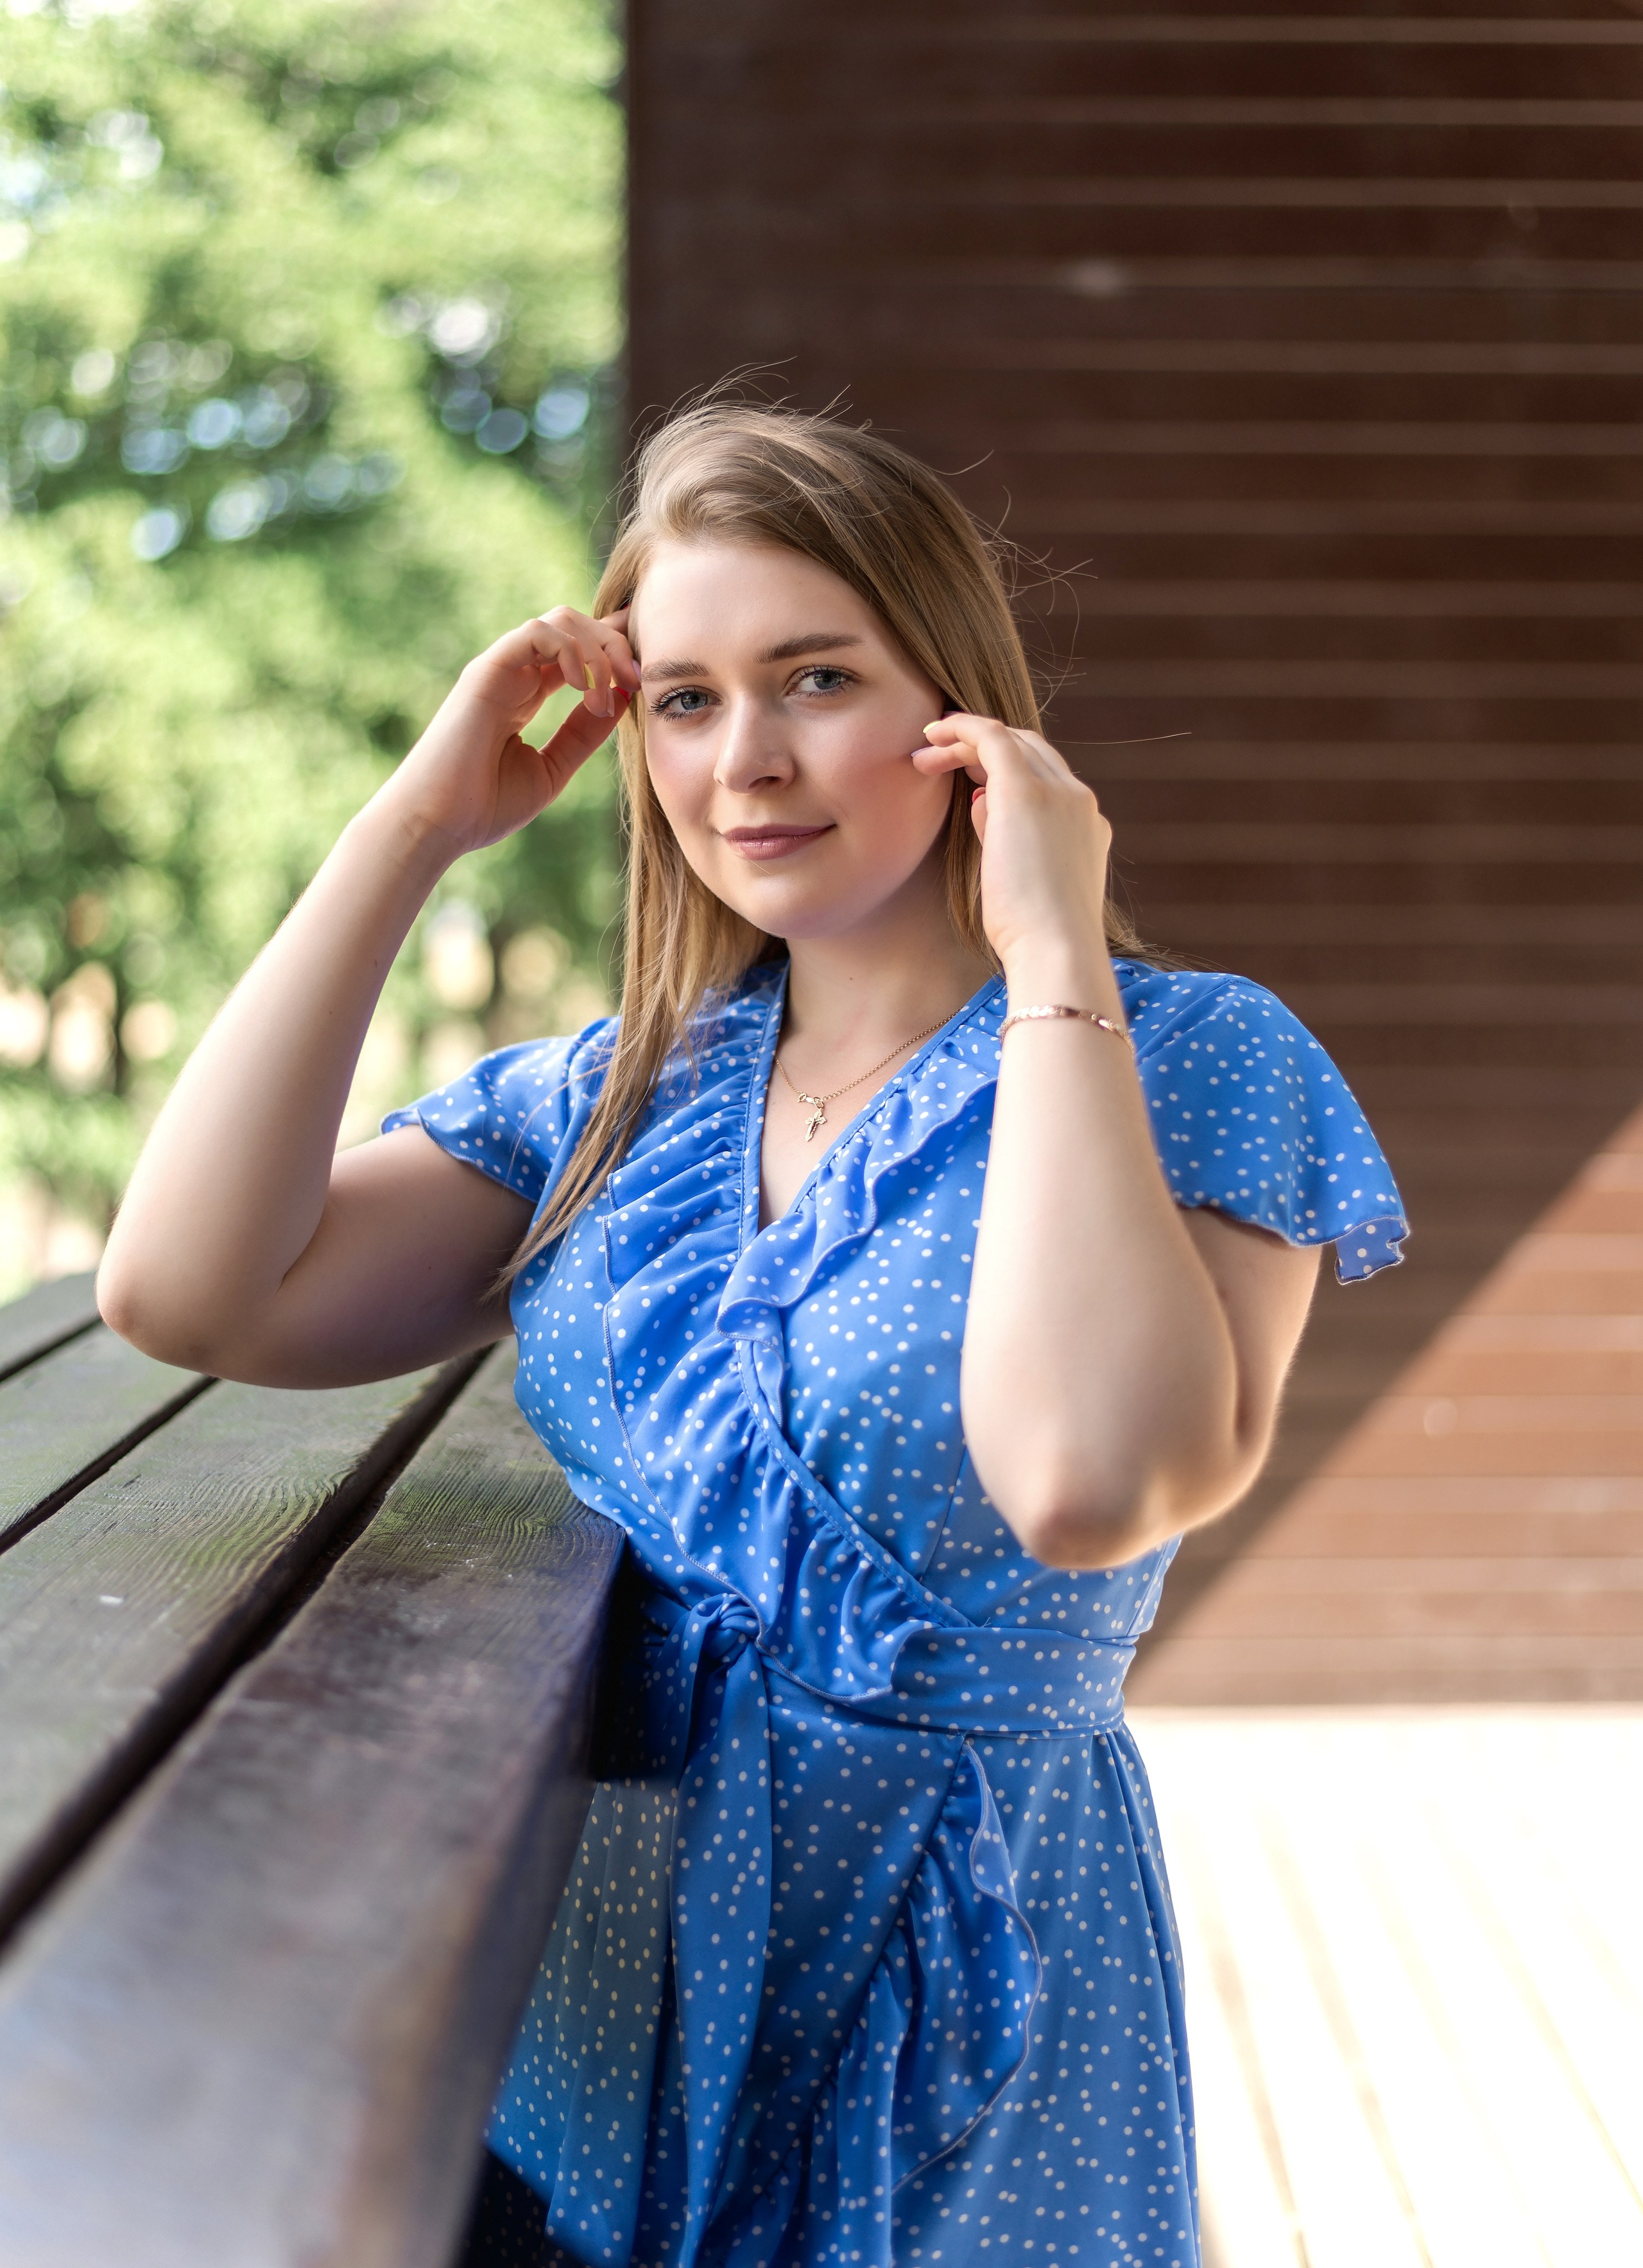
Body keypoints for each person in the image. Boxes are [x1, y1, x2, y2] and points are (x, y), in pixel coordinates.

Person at [99, 404, 1406, 2268]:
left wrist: (1053, 967)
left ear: (962, 714)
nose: (748, 764)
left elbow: (1090, 1479)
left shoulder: (1192, 1058)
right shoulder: (616, 1099)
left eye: (815, 680)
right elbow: (189, 1290)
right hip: (609, 1988)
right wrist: (415, 827)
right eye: (687, 700)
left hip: (971, 1992)